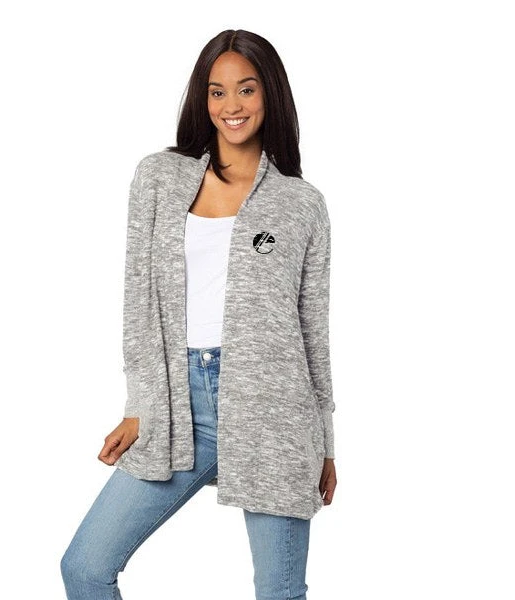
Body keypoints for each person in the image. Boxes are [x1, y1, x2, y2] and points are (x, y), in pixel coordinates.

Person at [61, 29, 337, 600]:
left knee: (280, 593)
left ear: (270, 94)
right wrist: (140, 406)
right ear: (202, 98)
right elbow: (138, 299)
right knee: (85, 568)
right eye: (217, 91)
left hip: (274, 414)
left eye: (246, 89)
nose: (231, 105)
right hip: (177, 407)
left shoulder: (301, 203)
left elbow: (313, 331)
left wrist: (326, 443)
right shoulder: (159, 178)